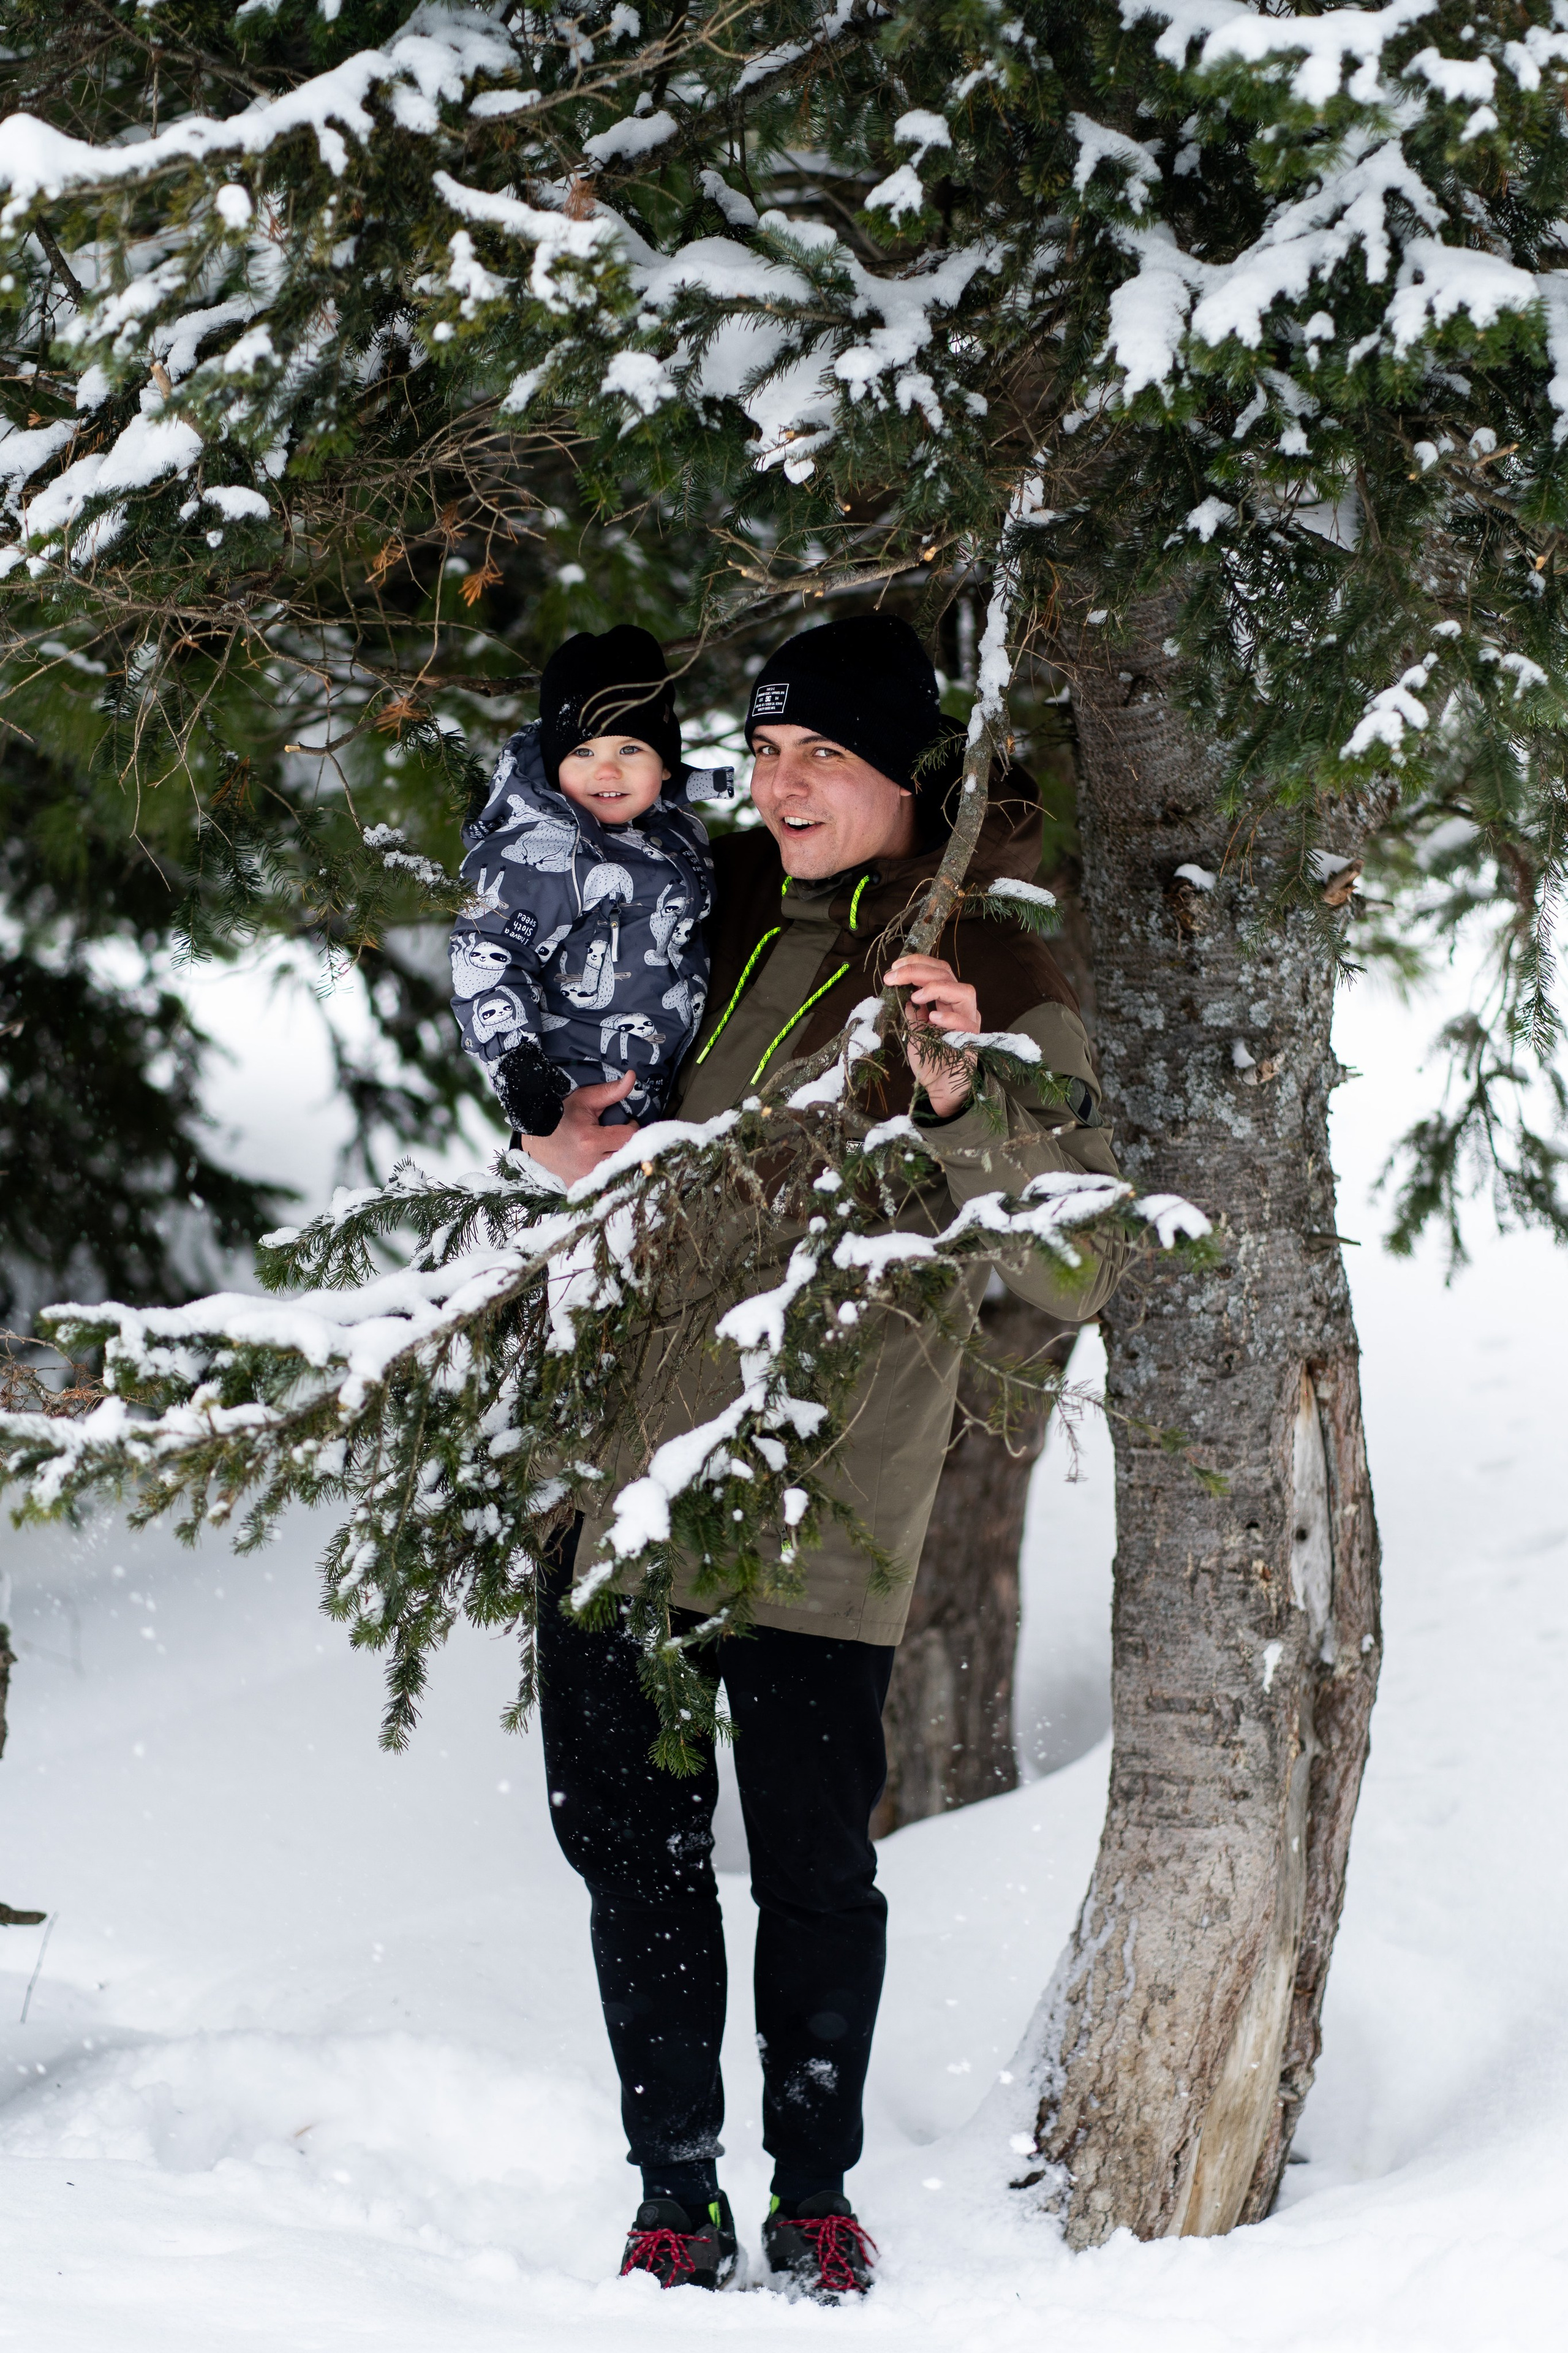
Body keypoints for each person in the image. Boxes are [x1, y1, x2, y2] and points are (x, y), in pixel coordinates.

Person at [524, 614, 1128, 2298]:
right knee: (634, 1860)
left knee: (809, 1865)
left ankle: (813, 2187)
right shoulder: (698, 910)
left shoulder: (987, 962)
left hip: (825, 1498)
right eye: (769, 752)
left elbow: (1074, 1254)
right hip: (621, 1479)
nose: (783, 785)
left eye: (826, 758)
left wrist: (956, 1104)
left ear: (901, 780)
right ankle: (672, 2187)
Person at [449, 624, 725, 1142]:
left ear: (664, 762)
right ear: (556, 765)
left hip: (660, 1079)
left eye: (630, 750)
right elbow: (485, 953)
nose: (607, 772)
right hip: (579, 1086)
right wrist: (517, 1061)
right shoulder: (540, 850)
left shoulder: (677, 829)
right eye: (583, 753)